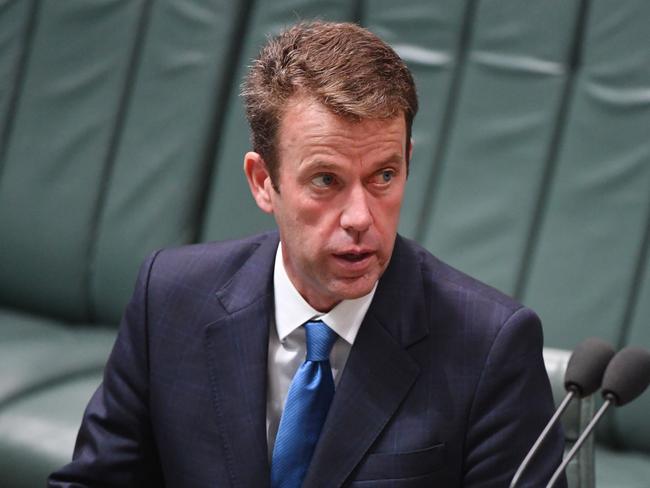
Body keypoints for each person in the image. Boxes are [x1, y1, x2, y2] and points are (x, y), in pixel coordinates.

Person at [49, 21, 565, 487]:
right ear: (263, 182)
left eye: (384, 175)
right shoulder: (169, 299)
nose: (360, 216)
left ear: (408, 161)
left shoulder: (491, 347)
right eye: (326, 180)